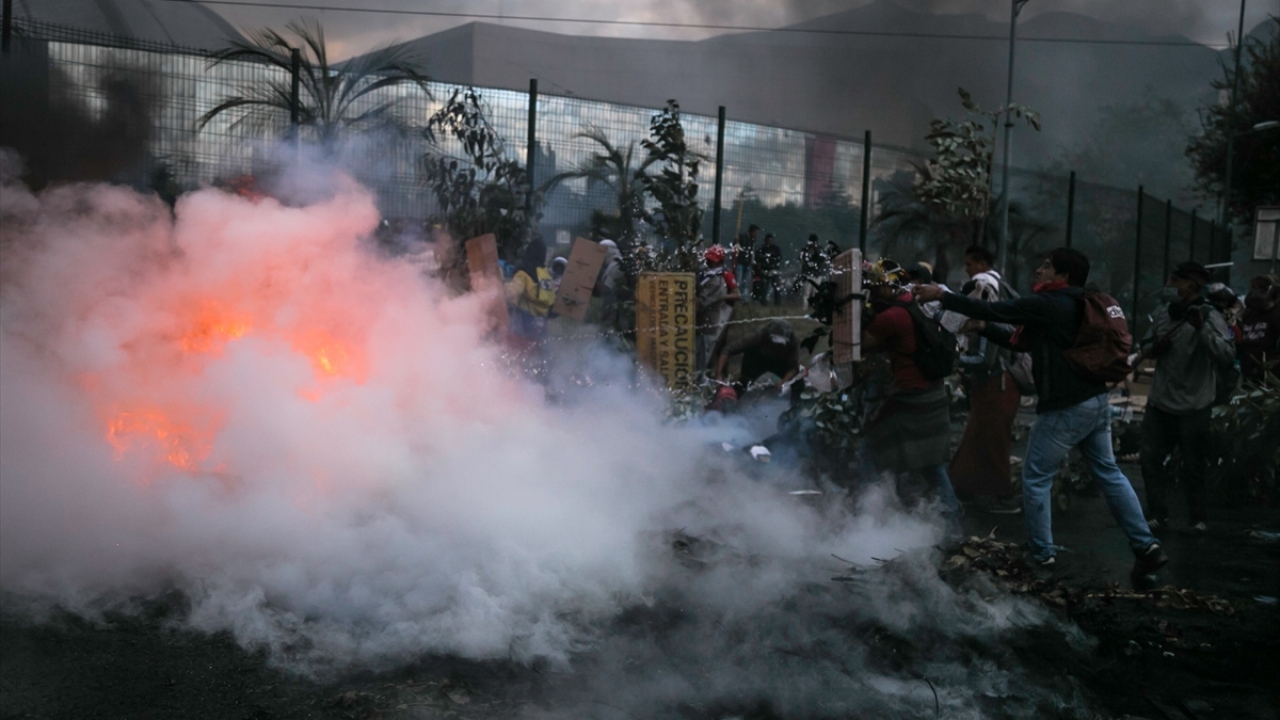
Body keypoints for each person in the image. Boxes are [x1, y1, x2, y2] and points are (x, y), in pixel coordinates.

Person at [914, 248, 1165, 580]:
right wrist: (983, 327)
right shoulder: (1074, 305)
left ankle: (1041, 555)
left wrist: (942, 296)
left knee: (1035, 477)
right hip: (1095, 402)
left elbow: (997, 308)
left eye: (1046, 267)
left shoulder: (1051, 303)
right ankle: (1147, 547)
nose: (1038, 271)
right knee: (1109, 473)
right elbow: (1023, 343)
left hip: (1066, 408)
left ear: (1062, 276)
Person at [1138, 262, 1236, 534]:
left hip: (1195, 405)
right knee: (1150, 461)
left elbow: (1227, 354)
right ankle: (1158, 513)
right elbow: (1145, 345)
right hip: (1160, 403)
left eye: (1175, 280)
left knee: (1193, 467)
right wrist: (1154, 348)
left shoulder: (1211, 316)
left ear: (1191, 284)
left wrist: (1201, 329)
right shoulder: (1161, 314)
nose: (1170, 285)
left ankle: (1197, 518)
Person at [859, 259, 961, 517]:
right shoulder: (913, 304)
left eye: (873, 283)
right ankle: (950, 514)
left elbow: (860, 344)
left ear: (886, 285)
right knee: (929, 464)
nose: (870, 287)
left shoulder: (891, 316)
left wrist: (852, 311)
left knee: (872, 448)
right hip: (931, 394)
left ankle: (872, 514)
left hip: (910, 398)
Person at [945, 245, 1023, 512]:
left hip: (995, 376)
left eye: (969, 263)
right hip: (1001, 375)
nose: (966, 269)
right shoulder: (1003, 284)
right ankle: (965, 488)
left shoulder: (982, 284)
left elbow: (984, 340)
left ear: (981, 263)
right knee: (980, 435)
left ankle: (1001, 495)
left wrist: (961, 361)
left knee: (990, 438)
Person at [716, 319, 800, 394]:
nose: (777, 346)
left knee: (798, 383)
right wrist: (719, 373)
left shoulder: (793, 343)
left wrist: (782, 382)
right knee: (744, 386)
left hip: (778, 367)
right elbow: (728, 350)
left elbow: (793, 367)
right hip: (756, 364)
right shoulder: (759, 337)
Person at [697, 245, 741, 370]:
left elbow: (737, 295)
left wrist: (721, 296)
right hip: (707, 312)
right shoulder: (706, 275)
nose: (709, 263)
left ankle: (719, 372)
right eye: (708, 260)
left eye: (712, 261)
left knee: (717, 345)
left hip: (722, 312)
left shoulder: (726, 275)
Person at [505, 237, 555, 343]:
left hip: (524, 321)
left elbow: (513, 292)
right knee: (542, 353)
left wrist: (500, 288)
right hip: (542, 323)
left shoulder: (524, 272)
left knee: (520, 353)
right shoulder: (546, 275)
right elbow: (552, 300)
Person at [1238, 274, 1280, 382]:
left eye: (1259, 288)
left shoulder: (1276, 314)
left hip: (1271, 377)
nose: (1255, 293)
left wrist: (1275, 361)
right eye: (1254, 288)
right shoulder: (1249, 314)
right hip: (1249, 373)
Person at [754, 233, 784, 305]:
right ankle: (763, 302)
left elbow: (779, 258)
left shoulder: (776, 249)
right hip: (765, 270)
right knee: (764, 287)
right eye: (768, 240)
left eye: (771, 240)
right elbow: (758, 258)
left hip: (774, 270)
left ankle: (777, 302)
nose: (769, 242)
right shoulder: (762, 249)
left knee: (776, 288)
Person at [799, 234, 826, 306]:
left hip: (817, 274)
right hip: (808, 274)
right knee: (806, 293)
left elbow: (823, 260)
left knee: (816, 292)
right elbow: (802, 260)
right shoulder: (805, 250)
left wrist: (816, 252)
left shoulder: (820, 249)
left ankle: (815, 308)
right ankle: (805, 308)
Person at [735, 225, 759, 301]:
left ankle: (744, 298)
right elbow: (736, 246)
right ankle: (736, 296)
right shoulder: (743, 237)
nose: (756, 234)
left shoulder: (753, 240)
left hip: (748, 263)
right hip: (741, 262)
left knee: (745, 282)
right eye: (755, 232)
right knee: (738, 280)